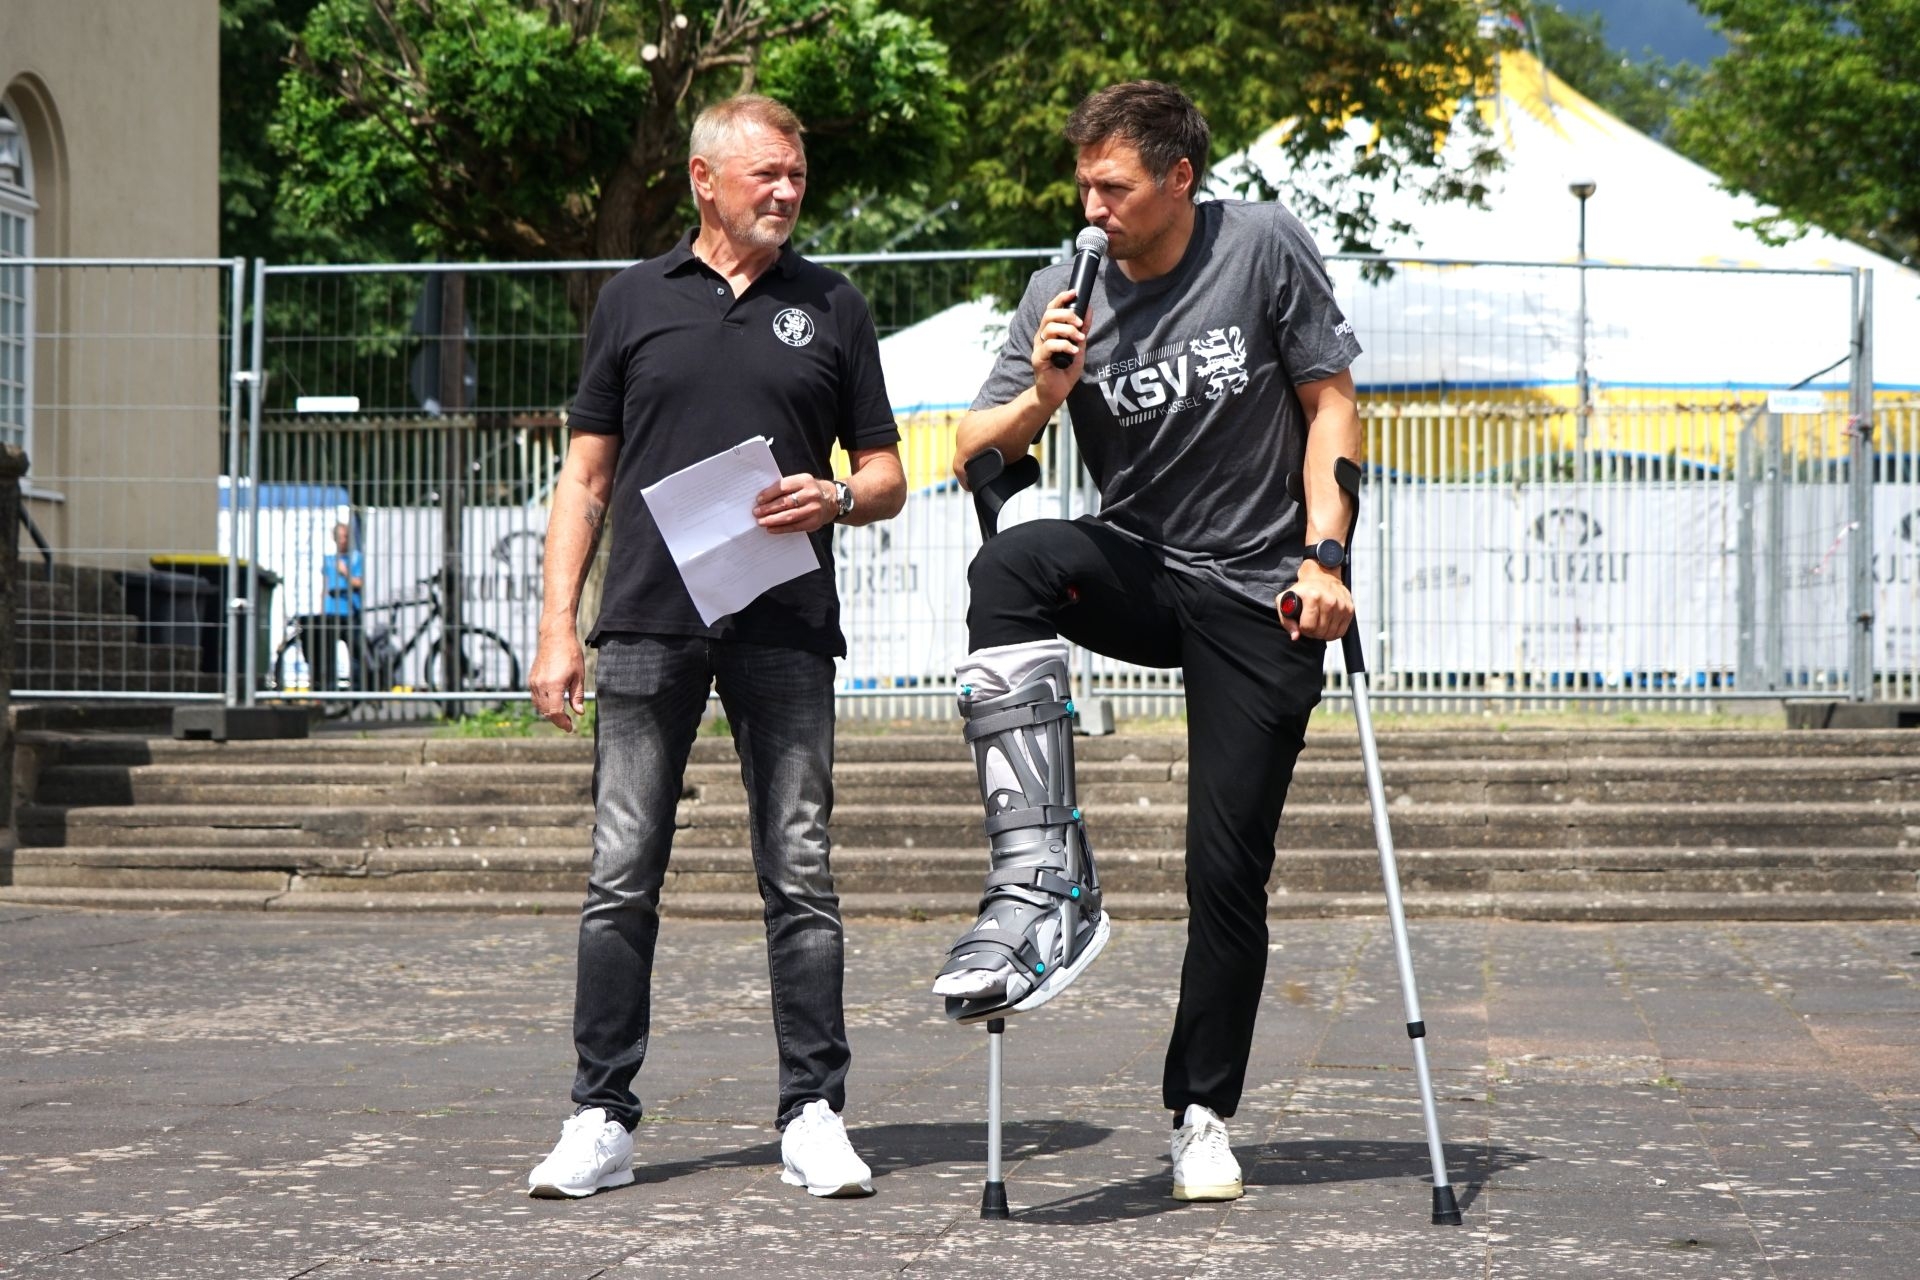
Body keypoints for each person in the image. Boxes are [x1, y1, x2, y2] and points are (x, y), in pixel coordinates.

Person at [936, 81, 1363, 1203]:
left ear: (1180, 178)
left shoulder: (1261, 245)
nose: (1093, 207)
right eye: (1083, 185)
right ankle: (1044, 879)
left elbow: (1330, 402)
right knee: (1009, 565)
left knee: (1224, 869)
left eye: (1113, 187)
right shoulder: (1062, 287)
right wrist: (1044, 395)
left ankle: (1201, 1111)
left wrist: (1326, 560)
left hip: (1263, 588)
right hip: (1141, 566)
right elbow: (970, 451)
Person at [524, 94, 907, 1201]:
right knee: (619, 872)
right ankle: (600, 1115)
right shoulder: (632, 300)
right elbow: (585, 476)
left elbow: (886, 471)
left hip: (785, 624)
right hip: (648, 620)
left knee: (801, 869)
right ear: (703, 179)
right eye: (766, 175)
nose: (787, 192)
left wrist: (838, 495)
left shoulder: (834, 304)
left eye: (797, 175)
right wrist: (555, 627)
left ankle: (814, 1113)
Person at [310, 520, 363, 693]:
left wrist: (345, 572)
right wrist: (321, 609)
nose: (343, 540)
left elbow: (359, 583)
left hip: (350, 612)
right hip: (331, 613)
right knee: (327, 654)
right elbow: (325, 587)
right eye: (340, 537)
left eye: (346, 537)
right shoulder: (329, 560)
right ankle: (328, 689)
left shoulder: (357, 558)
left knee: (355, 654)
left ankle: (357, 690)